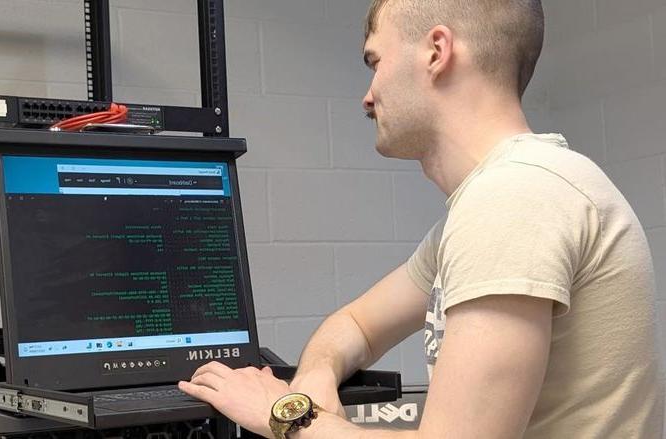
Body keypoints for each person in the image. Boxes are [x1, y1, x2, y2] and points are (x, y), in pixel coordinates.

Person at [178, 0, 665, 437]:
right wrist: (312, 381)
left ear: (436, 50)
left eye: (376, 62)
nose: (367, 97)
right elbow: (354, 326)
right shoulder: (499, 199)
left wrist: (284, 415)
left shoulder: (516, 198)